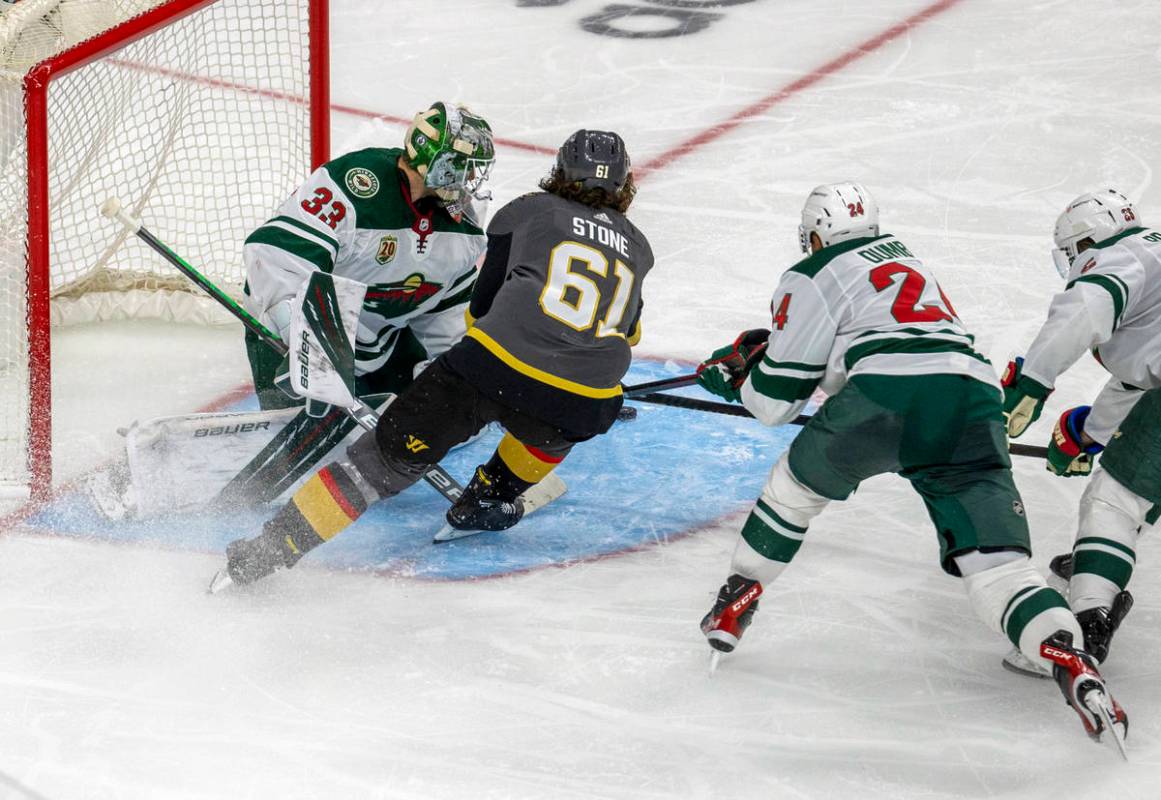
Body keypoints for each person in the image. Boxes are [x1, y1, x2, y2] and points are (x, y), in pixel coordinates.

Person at [695, 182, 1127, 748]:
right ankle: (1067, 656)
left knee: (793, 492)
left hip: (886, 395)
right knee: (1000, 569)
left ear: (817, 234)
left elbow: (775, 403)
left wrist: (737, 377)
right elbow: (871, 340)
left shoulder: (814, 270)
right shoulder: (904, 257)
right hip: (971, 399)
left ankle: (738, 596)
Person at [215, 129, 651, 584]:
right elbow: (629, 332)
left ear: (560, 171)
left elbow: (483, 308)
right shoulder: (640, 247)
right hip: (588, 394)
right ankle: (488, 498)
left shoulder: (525, 210)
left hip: (486, 369)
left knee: (374, 469)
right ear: (624, 185)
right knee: (559, 427)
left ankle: (267, 550)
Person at [227, 101, 496, 503]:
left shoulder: (465, 227)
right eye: (464, 165)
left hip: (381, 341)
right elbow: (274, 257)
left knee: (430, 417)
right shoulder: (353, 186)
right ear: (435, 162)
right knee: (308, 442)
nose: (472, 177)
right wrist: (306, 347)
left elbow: (447, 316)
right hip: (297, 338)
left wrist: (451, 388)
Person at [1002, 188, 1161, 666]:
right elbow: (1141, 378)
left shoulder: (1119, 256)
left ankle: (1090, 617)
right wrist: (1091, 432)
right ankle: (1102, 566)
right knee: (1140, 491)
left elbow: (1085, 310)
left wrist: (1032, 381)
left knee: (1114, 501)